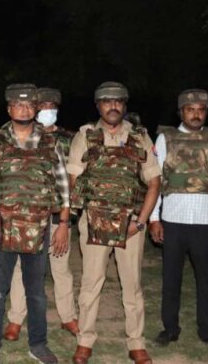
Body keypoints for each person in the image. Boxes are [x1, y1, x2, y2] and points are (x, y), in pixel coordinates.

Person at [0, 83, 71, 364]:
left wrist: (63, 223)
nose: (24, 109)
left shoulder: (50, 142)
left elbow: (63, 186)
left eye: (29, 105)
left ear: (35, 108)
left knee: (36, 292)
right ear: (9, 109)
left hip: (38, 226)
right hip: (3, 226)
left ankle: (38, 344)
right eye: (18, 105)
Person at [67, 81, 161, 364]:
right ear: (98, 106)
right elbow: (73, 179)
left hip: (131, 225)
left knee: (132, 286)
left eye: (118, 101)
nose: (113, 106)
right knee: (90, 284)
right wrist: (84, 214)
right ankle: (85, 340)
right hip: (95, 222)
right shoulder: (85, 135)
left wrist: (140, 223)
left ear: (125, 105)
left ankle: (136, 342)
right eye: (107, 101)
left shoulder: (140, 136)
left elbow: (154, 182)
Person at [149, 89, 208, 355]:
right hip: (173, 221)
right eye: (190, 109)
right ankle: (170, 329)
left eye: (201, 110)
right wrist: (154, 218)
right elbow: (156, 181)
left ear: (205, 112)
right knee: (171, 280)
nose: (196, 114)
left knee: (206, 281)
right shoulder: (165, 138)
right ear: (181, 112)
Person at [4, 87, 79, 341]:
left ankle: (68, 317)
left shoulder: (69, 139)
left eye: (51, 107)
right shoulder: (23, 135)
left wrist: (65, 221)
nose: (47, 111)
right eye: (42, 107)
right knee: (20, 269)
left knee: (61, 268)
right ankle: (16, 319)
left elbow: (73, 180)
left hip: (58, 214)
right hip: (28, 215)